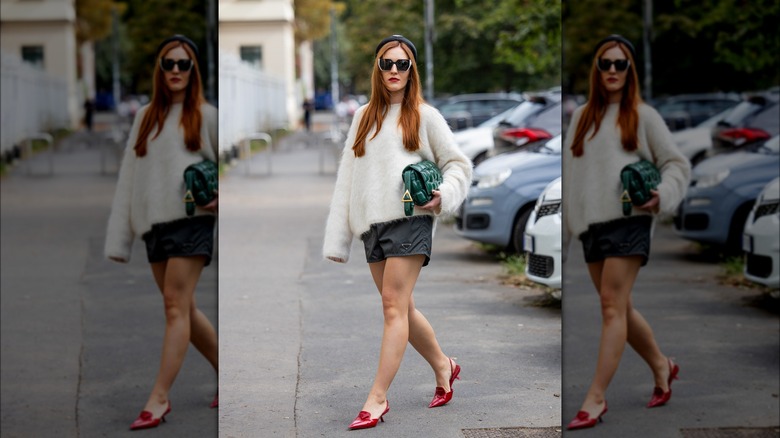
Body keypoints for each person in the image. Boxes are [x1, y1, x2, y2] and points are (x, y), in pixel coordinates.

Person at [323, 34, 472, 430]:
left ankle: (376, 399)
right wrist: (339, 239)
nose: (393, 71)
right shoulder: (362, 117)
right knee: (401, 308)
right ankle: (445, 365)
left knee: (391, 305)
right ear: (377, 68)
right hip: (373, 227)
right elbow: (347, 180)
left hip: (412, 220)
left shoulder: (425, 115)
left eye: (401, 64)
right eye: (386, 63)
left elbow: (458, 164)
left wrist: (443, 196)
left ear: (412, 70)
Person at [562, 35, 690, 430]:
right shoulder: (582, 116)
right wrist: (564, 238)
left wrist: (663, 195)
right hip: (591, 227)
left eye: (621, 64)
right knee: (621, 307)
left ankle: (595, 398)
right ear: (596, 70)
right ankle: (662, 366)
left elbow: (676, 164)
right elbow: (570, 178)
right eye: (606, 64)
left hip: (629, 220)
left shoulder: (643, 114)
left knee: (610, 305)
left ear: (630, 70)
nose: (613, 71)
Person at [104, 34, 219, 431]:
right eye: (168, 64)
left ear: (193, 71)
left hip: (192, 222)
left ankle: (159, 398)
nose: (175, 71)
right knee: (182, 308)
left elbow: (229, 169)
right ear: (159, 69)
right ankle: (226, 369)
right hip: (155, 228)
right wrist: (119, 239)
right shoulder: (145, 117)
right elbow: (129, 180)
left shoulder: (206, 115)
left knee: (173, 303)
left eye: (183, 64)